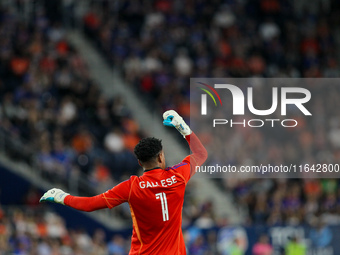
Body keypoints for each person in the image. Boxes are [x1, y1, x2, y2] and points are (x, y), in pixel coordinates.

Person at [40, 110, 208, 255]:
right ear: (160, 157)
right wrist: (182, 126)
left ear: (140, 163)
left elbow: (90, 204)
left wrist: (62, 197)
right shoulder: (178, 176)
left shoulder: (131, 187)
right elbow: (201, 154)